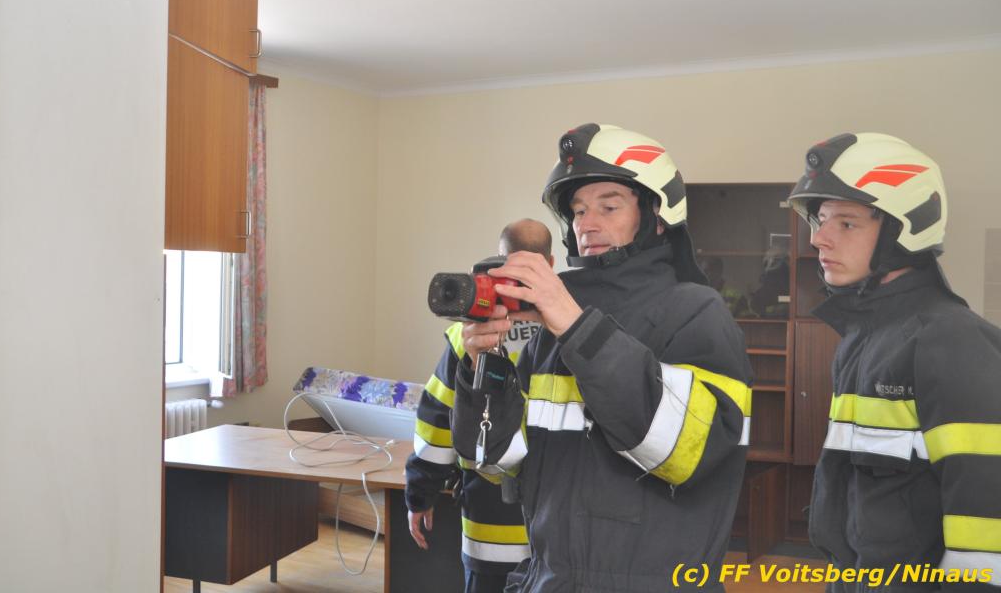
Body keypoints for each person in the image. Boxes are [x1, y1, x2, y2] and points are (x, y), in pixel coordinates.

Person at [451, 124, 752, 593]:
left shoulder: (697, 312)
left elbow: (687, 452)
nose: (586, 224)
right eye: (577, 211)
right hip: (547, 579)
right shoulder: (554, 331)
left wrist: (576, 327)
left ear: (656, 216)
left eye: (609, 207)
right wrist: (481, 367)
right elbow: (497, 463)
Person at [787, 132, 1001, 592]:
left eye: (846, 223)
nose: (819, 238)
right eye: (820, 220)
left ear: (906, 230)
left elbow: (987, 527)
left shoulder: (953, 341)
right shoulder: (861, 340)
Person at [405, 219, 554, 593]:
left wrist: (419, 496)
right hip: (556, 535)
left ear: (500, 260)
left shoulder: (469, 332)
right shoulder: (570, 325)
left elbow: (436, 425)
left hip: (489, 531)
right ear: (551, 263)